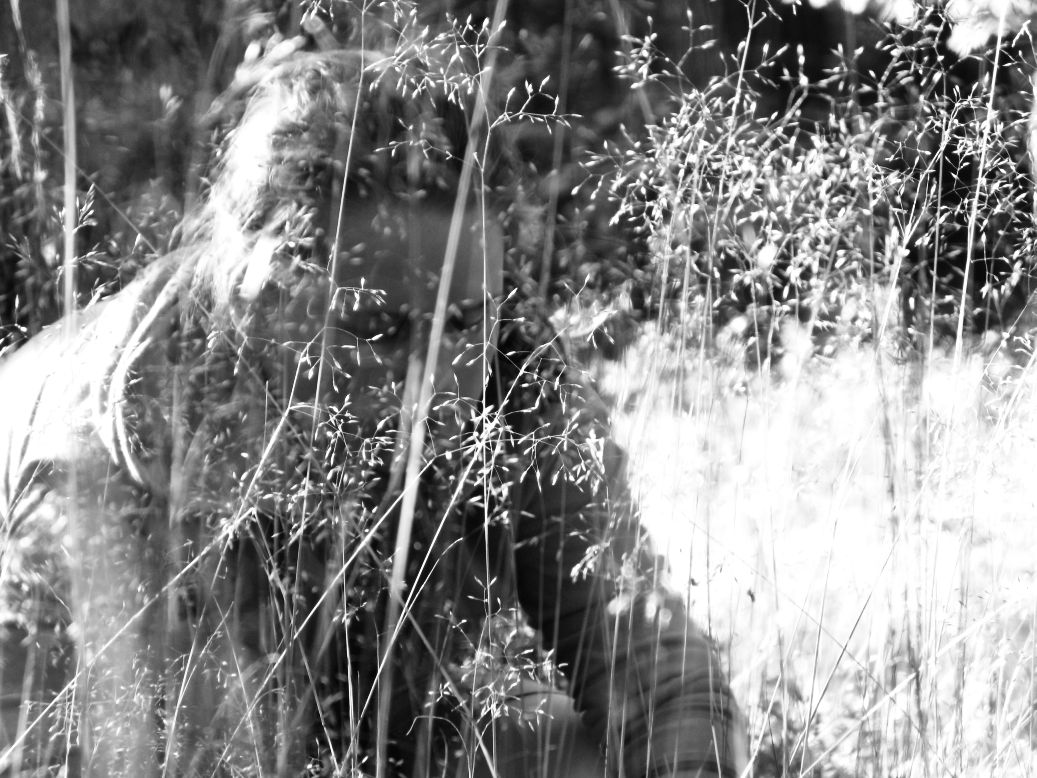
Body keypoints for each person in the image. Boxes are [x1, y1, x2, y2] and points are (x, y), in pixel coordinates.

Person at [0, 39, 747, 778]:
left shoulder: (517, 367)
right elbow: (36, 745)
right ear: (261, 299)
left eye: (463, 323)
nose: (435, 381)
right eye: (380, 330)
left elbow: (648, 667)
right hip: (180, 747)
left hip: (385, 723)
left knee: (555, 748)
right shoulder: (98, 449)